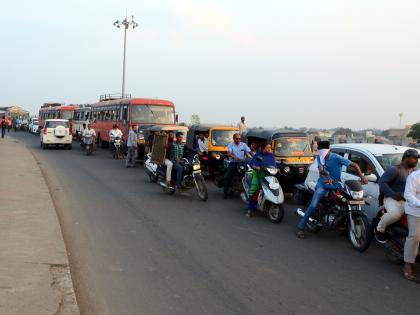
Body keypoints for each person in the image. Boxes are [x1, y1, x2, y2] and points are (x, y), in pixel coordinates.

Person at [297, 148, 368, 239]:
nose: (323, 156)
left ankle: (344, 227)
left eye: (325, 153)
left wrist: (362, 178)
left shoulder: (337, 158)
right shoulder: (320, 158)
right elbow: (321, 173)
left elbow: (355, 165)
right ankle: (301, 227)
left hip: (336, 184)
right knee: (313, 205)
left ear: (329, 151)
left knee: (346, 200)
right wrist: (327, 178)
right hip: (322, 184)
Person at [374, 149, 418, 243]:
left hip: (409, 200)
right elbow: (382, 183)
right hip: (393, 199)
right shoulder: (395, 169)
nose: (416, 161)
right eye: (414, 158)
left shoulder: (414, 172)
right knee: (395, 214)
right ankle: (379, 229)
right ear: (406, 157)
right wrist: (393, 194)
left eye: (417, 159)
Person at [246, 142, 276, 216]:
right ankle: (250, 210)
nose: (269, 149)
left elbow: (274, 164)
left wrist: (277, 168)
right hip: (257, 174)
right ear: (262, 148)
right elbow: (252, 163)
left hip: (268, 174)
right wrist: (255, 167)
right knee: (253, 190)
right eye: (267, 148)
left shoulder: (271, 155)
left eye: (270, 148)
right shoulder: (258, 154)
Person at [403, 167, 420, 281]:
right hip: (415, 211)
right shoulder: (414, 176)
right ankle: (407, 265)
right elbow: (408, 194)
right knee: (415, 237)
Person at [224, 133, 251, 198]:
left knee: (248, 175)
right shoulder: (231, 145)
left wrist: (256, 157)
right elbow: (229, 153)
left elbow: (250, 152)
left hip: (242, 163)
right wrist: (233, 156)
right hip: (233, 162)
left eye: (239, 139)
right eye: (236, 139)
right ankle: (225, 192)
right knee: (227, 177)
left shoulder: (243, 145)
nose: (238, 140)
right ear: (234, 139)